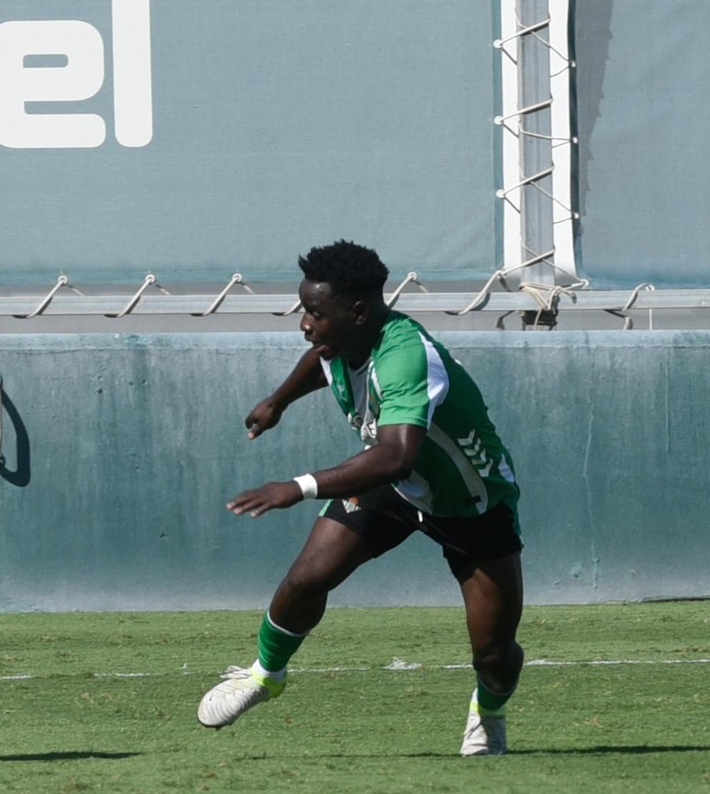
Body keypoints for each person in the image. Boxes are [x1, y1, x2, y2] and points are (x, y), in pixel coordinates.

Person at [197, 240, 524, 756]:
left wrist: (297, 487)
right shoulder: (342, 341)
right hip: (393, 487)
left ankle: (489, 713)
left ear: (358, 312)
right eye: (304, 309)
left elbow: (395, 455)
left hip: (469, 502)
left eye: (315, 313)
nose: (305, 324)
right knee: (306, 578)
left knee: (493, 653)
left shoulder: (405, 357)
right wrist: (278, 401)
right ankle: (265, 675)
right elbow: (320, 359)